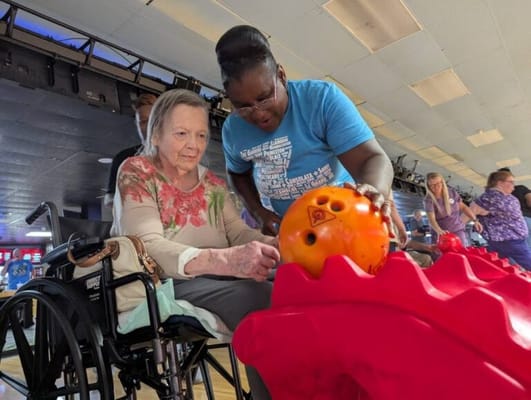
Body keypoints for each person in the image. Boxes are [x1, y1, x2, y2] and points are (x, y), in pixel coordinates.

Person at [111, 88, 280, 400]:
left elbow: (240, 234)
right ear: (157, 134)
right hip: (164, 282)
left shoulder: (213, 184)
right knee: (262, 295)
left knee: (291, 282)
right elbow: (145, 244)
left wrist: (282, 246)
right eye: (182, 133)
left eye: (201, 135)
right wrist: (224, 260)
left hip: (216, 277)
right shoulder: (137, 172)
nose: (194, 145)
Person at [215, 25, 394, 236]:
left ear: (281, 76)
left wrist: (374, 190)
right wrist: (258, 212)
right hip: (285, 233)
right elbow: (237, 174)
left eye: (264, 98)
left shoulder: (321, 101)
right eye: (242, 106)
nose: (257, 113)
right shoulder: (233, 129)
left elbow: (371, 158)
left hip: (339, 226)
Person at [104, 93, 158, 207]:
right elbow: (109, 199)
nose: (148, 126)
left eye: (152, 121)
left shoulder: (174, 159)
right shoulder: (123, 158)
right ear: (137, 125)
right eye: (143, 121)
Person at [470, 170, 531, 270]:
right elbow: (472, 211)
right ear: (500, 183)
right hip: (510, 239)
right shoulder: (491, 198)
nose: (513, 186)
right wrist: (474, 220)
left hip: (506, 239)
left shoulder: (504, 197)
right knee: (525, 261)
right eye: (510, 182)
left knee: (506, 266)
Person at [424, 172, 482, 246]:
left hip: (457, 229)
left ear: (442, 182)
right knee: (443, 256)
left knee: (462, 252)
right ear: (428, 187)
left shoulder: (451, 192)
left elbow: (463, 207)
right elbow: (431, 220)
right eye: (433, 185)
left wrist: (475, 220)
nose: (437, 187)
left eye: (438, 183)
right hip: (442, 234)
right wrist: (439, 231)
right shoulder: (429, 200)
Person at [498, 168, 531, 247]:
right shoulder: (521, 188)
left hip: (511, 224)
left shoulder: (498, 195)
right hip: (527, 219)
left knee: (519, 250)